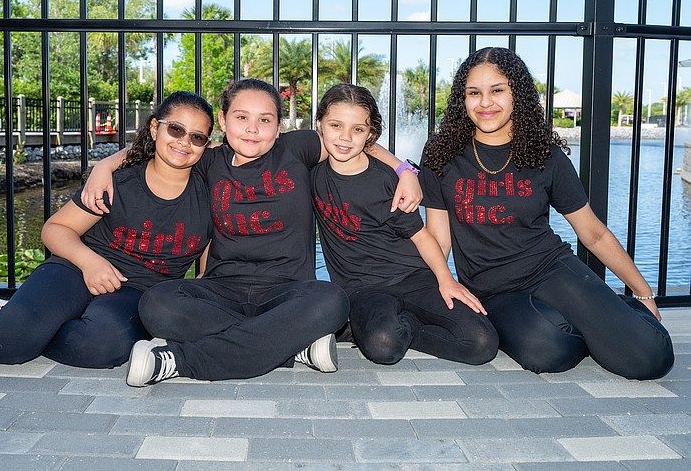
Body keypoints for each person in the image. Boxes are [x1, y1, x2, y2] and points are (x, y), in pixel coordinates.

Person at [82, 78, 423, 386]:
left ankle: (178, 362)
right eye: (242, 117)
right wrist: (107, 163)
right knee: (157, 303)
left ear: (278, 127)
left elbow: (354, 139)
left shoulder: (298, 148)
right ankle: (292, 348)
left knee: (332, 301)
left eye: (265, 120)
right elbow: (158, 146)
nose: (252, 129)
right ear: (224, 120)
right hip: (222, 290)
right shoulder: (208, 160)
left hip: (288, 292)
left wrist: (404, 169)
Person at [0, 92, 215, 370]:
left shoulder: (212, 187)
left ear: (207, 144)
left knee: (101, 348)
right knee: (9, 345)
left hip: (138, 292)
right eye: (176, 129)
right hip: (77, 268)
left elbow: (209, 254)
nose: (184, 142)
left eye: (197, 136)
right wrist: (90, 263)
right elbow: (55, 229)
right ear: (155, 128)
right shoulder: (119, 182)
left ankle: (11, 321)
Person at [419, 47, 674, 379]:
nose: (485, 103)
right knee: (549, 352)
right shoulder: (441, 155)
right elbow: (439, 239)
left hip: (550, 268)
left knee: (650, 358)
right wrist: (442, 282)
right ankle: (594, 324)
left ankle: (617, 313)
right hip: (492, 290)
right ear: (461, 99)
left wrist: (641, 291)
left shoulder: (545, 155)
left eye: (497, 90)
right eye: (474, 93)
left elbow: (592, 233)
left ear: (518, 94)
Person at [311, 83, 498, 365]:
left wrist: (446, 280)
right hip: (363, 288)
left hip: (414, 277)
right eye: (335, 125)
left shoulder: (387, 180)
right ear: (320, 125)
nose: (345, 137)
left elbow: (421, 236)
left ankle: (391, 325)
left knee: (482, 343)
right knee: (383, 347)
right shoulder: (310, 172)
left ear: (370, 134)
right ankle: (381, 327)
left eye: (357, 130)